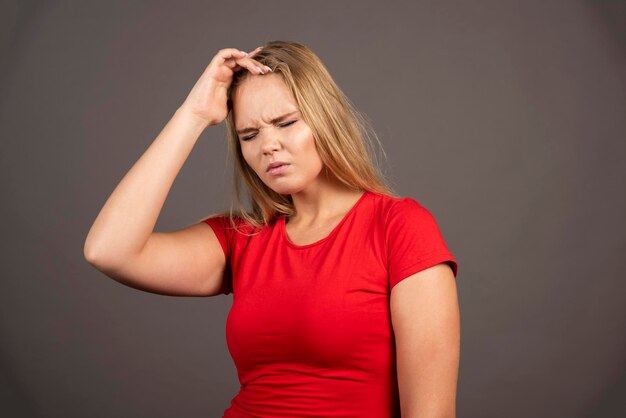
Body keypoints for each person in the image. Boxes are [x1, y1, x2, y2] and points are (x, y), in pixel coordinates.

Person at [83, 40, 460, 418]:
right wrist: (193, 114)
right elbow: (109, 250)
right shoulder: (243, 238)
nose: (268, 145)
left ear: (325, 119)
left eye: (286, 123)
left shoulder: (398, 227)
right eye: (249, 135)